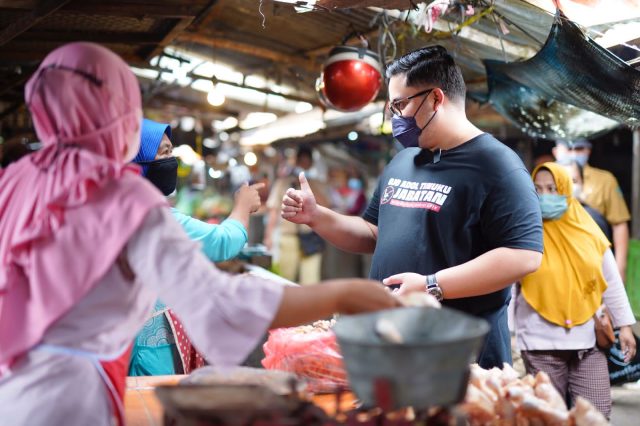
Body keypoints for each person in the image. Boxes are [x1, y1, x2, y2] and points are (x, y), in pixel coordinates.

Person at [0, 42, 398, 426]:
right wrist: (346, 294)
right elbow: (219, 304)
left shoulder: (15, 182)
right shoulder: (125, 198)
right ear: (120, 111)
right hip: (70, 402)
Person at [280, 45, 543, 369]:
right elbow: (373, 232)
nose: (395, 117)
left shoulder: (498, 165)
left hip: (459, 354)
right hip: (391, 342)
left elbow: (524, 256)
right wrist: (318, 216)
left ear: (435, 98)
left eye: (401, 105)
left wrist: (433, 285)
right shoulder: (405, 160)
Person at [128, 118, 264, 376]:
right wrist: (243, 206)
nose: (171, 160)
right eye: (163, 152)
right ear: (137, 157)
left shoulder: (118, 207)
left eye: (171, 151)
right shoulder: (153, 217)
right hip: (148, 350)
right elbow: (223, 242)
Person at [515, 162, 636, 418]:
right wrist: (509, 334)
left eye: (552, 188)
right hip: (539, 341)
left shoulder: (589, 232)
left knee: (597, 414)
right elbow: (508, 284)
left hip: (587, 339)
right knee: (549, 417)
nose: (545, 196)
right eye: (538, 189)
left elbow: (611, 281)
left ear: (566, 190)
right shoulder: (524, 231)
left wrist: (625, 326)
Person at [553, 139, 630, 279]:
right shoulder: (546, 179)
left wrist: (620, 270)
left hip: (593, 261)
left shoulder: (605, 180)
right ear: (556, 151)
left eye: (579, 148)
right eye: (568, 148)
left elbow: (619, 224)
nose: (573, 153)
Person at [264, 146, 330, 284]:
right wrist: (268, 236)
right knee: (285, 279)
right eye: (302, 161)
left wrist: (310, 185)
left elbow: (327, 205)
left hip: (311, 238)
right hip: (288, 237)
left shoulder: (318, 183)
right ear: (297, 162)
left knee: (311, 281)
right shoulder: (283, 183)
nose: (304, 165)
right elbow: (274, 211)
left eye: (307, 161)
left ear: (311, 163)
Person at [562, 160, 612, 242]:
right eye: (562, 181)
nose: (568, 186)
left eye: (574, 181)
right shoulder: (540, 219)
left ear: (582, 182)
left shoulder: (593, 220)